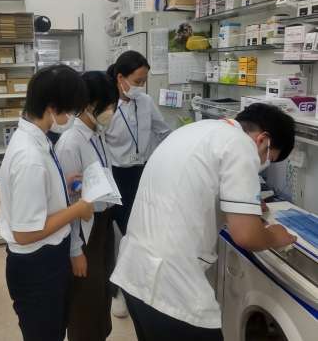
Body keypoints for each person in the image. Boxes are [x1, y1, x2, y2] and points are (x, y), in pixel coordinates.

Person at [111, 103, 297, 341]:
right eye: (267, 157)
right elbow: (247, 236)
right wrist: (276, 236)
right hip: (170, 288)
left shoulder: (196, 131)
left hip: (134, 273)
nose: (261, 163)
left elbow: (189, 189)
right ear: (263, 140)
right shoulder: (241, 145)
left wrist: (242, 205)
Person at [0, 65, 94, 341]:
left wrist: (62, 184)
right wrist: (76, 209)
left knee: (53, 329)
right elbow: (25, 233)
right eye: (69, 111)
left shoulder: (38, 138)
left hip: (48, 258)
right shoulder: (29, 157)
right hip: (36, 265)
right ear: (52, 107)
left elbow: (37, 193)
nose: (70, 117)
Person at [106, 50, 171, 316]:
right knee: (121, 236)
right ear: (120, 78)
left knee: (141, 233)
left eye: (144, 81)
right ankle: (117, 290)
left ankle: (138, 286)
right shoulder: (107, 107)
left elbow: (163, 131)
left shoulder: (145, 102)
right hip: (114, 176)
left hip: (142, 173)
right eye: (137, 81)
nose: (140, 86)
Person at [56, 71, 119, 341]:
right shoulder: (71, 143)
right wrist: (75, 251)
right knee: (85, 301)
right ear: (91, 105)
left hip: (102, 223)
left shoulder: (97, 134)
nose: (112, 111)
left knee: (102, 293)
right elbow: (68, 204)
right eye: (109, 105)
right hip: (83, 231)